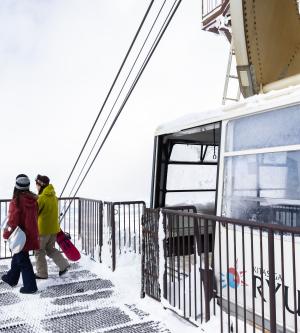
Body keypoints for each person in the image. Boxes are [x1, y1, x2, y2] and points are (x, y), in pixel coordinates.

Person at [1, 174, 39, 294]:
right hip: (30, 233)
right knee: (18, 256)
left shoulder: (16, 202)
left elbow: (13, 221)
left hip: (20, 236)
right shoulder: (33, 200)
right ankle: (12, 278)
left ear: (16, 187)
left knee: (23, 261)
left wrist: (6, 234)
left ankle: (31, 286)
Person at [34, 174, 69, 279]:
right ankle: (64, 265)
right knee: (50, 249)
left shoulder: (42, 198)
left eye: (37, 184)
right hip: (53, 229)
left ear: (41, 184)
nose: (36, 186)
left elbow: (34, 213)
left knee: (39, 251)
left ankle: (42, 273)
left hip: (43, 231)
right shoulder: (54, 196)